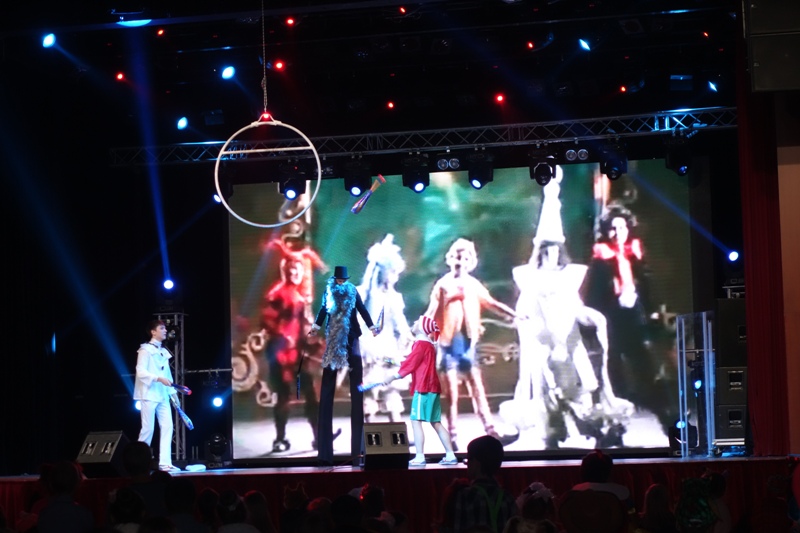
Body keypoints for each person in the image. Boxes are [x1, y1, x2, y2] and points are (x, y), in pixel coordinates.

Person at [425, 238, 523, 450]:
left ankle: (491, 431)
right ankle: (452, 436)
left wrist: (514, 315)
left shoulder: (472, 284)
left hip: (467, 344)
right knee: (452, 395)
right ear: (450, 259)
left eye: (464, 257)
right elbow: (432, 311)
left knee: (477, 389)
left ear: (471, 262)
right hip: (448, 345)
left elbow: (491, 303)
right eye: (457, 256)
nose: (460, 261)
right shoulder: (443, 284)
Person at [309, 265, 379, 466]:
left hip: (351, 336)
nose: (340, 282)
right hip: (334, 338)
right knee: (328, 385)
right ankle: (325, 453)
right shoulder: (329, 291)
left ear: (346, 280)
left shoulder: (352, 291)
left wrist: (371, 326)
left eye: (343, 280)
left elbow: (362, 309)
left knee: (357, 386)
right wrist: (315, 326)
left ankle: (358, 452)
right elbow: (323, 310)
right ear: (335, 279)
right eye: (338, 280)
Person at [262, 255, 319, 453]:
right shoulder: (277, 293)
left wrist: (311, 341)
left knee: (310, 394)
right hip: (280, 353)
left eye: (297, 269)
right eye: (291, 269)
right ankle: (280, 439)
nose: (294, 272)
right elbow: (266, 320)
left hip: (297, 353)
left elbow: (303, 326)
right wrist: (281, 337)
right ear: (284, 271)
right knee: (283, 396)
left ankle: (318, 437)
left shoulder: (299, 296)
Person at [383, 316, 458, 466]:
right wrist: (392, 361)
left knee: (416, 421)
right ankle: (450, 455)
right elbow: (412, 362)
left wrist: (393, 377)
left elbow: (410, 364)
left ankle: (420, 456)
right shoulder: (427, 345)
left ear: (422, 328)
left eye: (418, 321)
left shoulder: (421, 344)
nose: (414, 322)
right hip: (431, 387)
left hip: (424, 388)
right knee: (435, 422)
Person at [134, 319, 180, 472]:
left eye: (165, 328)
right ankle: (138, 463)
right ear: (153, 332)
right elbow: (141, 372)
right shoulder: (145, 350)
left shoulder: (162, 351)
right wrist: (158, 378)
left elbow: (167, 375)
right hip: (148, 393)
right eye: (162, 328)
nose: (165, 330)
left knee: (168, 426)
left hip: (162, 395)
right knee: (148, 429)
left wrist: (173, 394)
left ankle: (165, 463)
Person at [453, 435, 517, 533]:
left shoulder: (464, 496)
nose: (467, 464)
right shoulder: (508, 498)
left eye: (469, 459)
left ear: (476, 463)